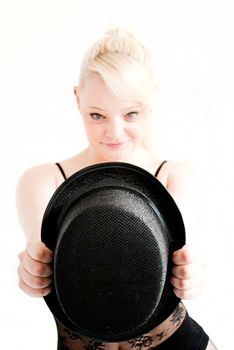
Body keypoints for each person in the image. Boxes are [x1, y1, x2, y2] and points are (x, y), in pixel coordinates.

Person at [16, 27, 217, 350]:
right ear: (77, 99)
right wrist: (33, 269)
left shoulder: (177, 177)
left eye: (131, 114)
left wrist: (191, 272)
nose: (115, 132)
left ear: (152, 104)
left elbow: (182, 256)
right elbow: (38, 254)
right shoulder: (43, 180)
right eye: (97, 114)